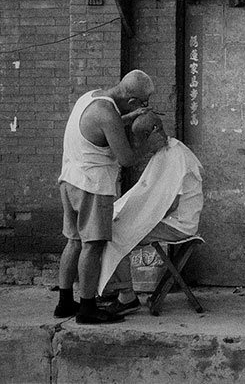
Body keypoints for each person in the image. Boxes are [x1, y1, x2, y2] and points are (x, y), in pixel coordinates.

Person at [54, 70, 154, 324]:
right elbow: (127, 159)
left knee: (74, 241)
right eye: (143, 102)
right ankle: (87, 308)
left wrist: (130, 118)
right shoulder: (108, 114)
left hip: (70, 179)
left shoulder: (91, 98)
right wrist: (148, 143)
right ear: (132, 101)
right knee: (93, 245)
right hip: (92, 186)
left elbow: (99, 127)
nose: (145, 107)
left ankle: (65, 302)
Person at [97, 113, 204, 315]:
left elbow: (171, 204)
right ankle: (115, 289)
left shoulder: (176, 155)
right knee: (113, 227)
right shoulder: (166, 152)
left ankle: (127, 296)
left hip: (179, 224)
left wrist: (139, 218)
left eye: (139, 138)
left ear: (152, 132)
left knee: (116, 236)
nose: (138, 145)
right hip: (170, 219)